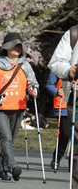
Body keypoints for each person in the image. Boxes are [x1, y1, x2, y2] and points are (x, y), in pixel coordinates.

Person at [0, 33, 38, 181]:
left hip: (19, 107)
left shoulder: (25, 65)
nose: (17, 49)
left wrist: (33, 90)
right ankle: (13, 166)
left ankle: (1, 169)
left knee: (11, 140)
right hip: (0, 107)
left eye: (19, 46)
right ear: (7, 47)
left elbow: (32, 83)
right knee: (6, 137)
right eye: (14, 45)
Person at [48, 26, 78, 185]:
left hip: (70, 103)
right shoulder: (61, 66)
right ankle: (57, 158)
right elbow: (50, 84)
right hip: (64, 104)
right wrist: (57, 90)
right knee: (66, 134)